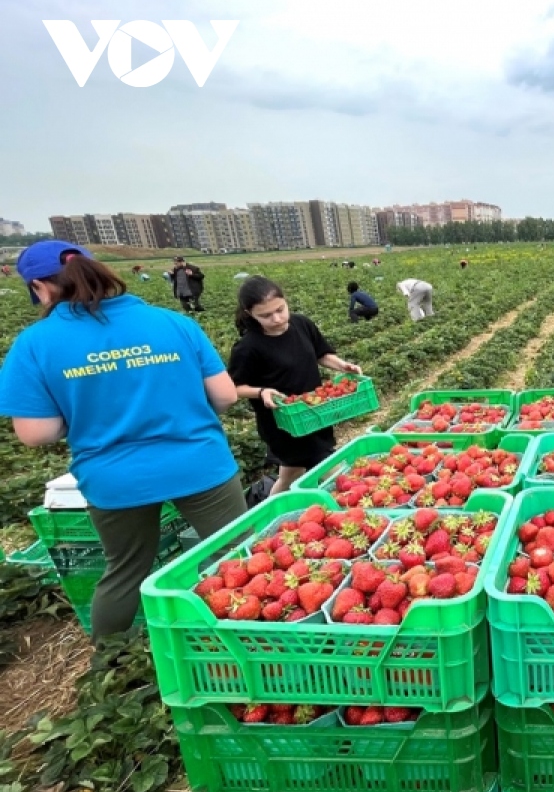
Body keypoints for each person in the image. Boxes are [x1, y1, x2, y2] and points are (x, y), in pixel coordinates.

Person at [0, 241, 246, 637]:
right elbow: (225, 396)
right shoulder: (172, 323)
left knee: (126, 570)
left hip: (114, 477)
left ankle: (111, 659)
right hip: (199, 462)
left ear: (40, 288)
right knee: (237, 555)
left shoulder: (35, 344)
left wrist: (87, 416)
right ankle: (252, 644)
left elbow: (36, 432)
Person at [228, 276, 362, 496]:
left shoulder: (301, 324)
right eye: (266, 315)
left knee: (290, 474)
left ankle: (271, 511)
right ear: (249, 313)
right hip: (284, 424)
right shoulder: (248, 347)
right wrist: (261, 391)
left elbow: (321, 354)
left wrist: (342, 365)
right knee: (334, 471)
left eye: (280, 309)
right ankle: (355, 501)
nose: (277, 318)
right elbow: (235, 387)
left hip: (314, 413)